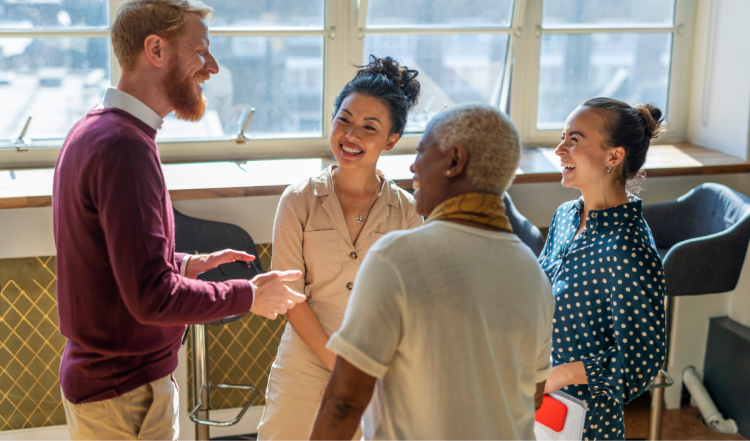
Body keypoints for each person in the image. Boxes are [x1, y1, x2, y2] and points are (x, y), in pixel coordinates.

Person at [52, 0, 306, 441]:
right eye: (201, 51)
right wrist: (249, 296)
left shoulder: (95, 129)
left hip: (107, 385)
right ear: (155, 50)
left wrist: (184, 264)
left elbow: (114, 259)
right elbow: (151, 298)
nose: (213, 67)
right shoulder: (124, 148)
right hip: (125, 396)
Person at [310, 103, 555, 440]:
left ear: (454, 161)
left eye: (423, 151)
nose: (413, 165)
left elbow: (345, 401)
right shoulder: (533, 274)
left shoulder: (397, 257)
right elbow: (533, 394)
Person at [257, 56, 423, 440]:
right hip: (305, 358)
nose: (351, 135)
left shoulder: (410, 213)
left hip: (379, 366)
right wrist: (338, 364)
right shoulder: (297, 200)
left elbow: (412, 305)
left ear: (391, 140)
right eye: (344, 120)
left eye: (369, 127)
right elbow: (290, 298)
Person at [538, 97, 667, 440]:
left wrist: (558, 376)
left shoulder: (628, 248)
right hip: (538, 401)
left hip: (583, 421)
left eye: (575, 140)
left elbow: (641, 360)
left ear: (614, 156)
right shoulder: (566, 216)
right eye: (564, 137)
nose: (560, 149)